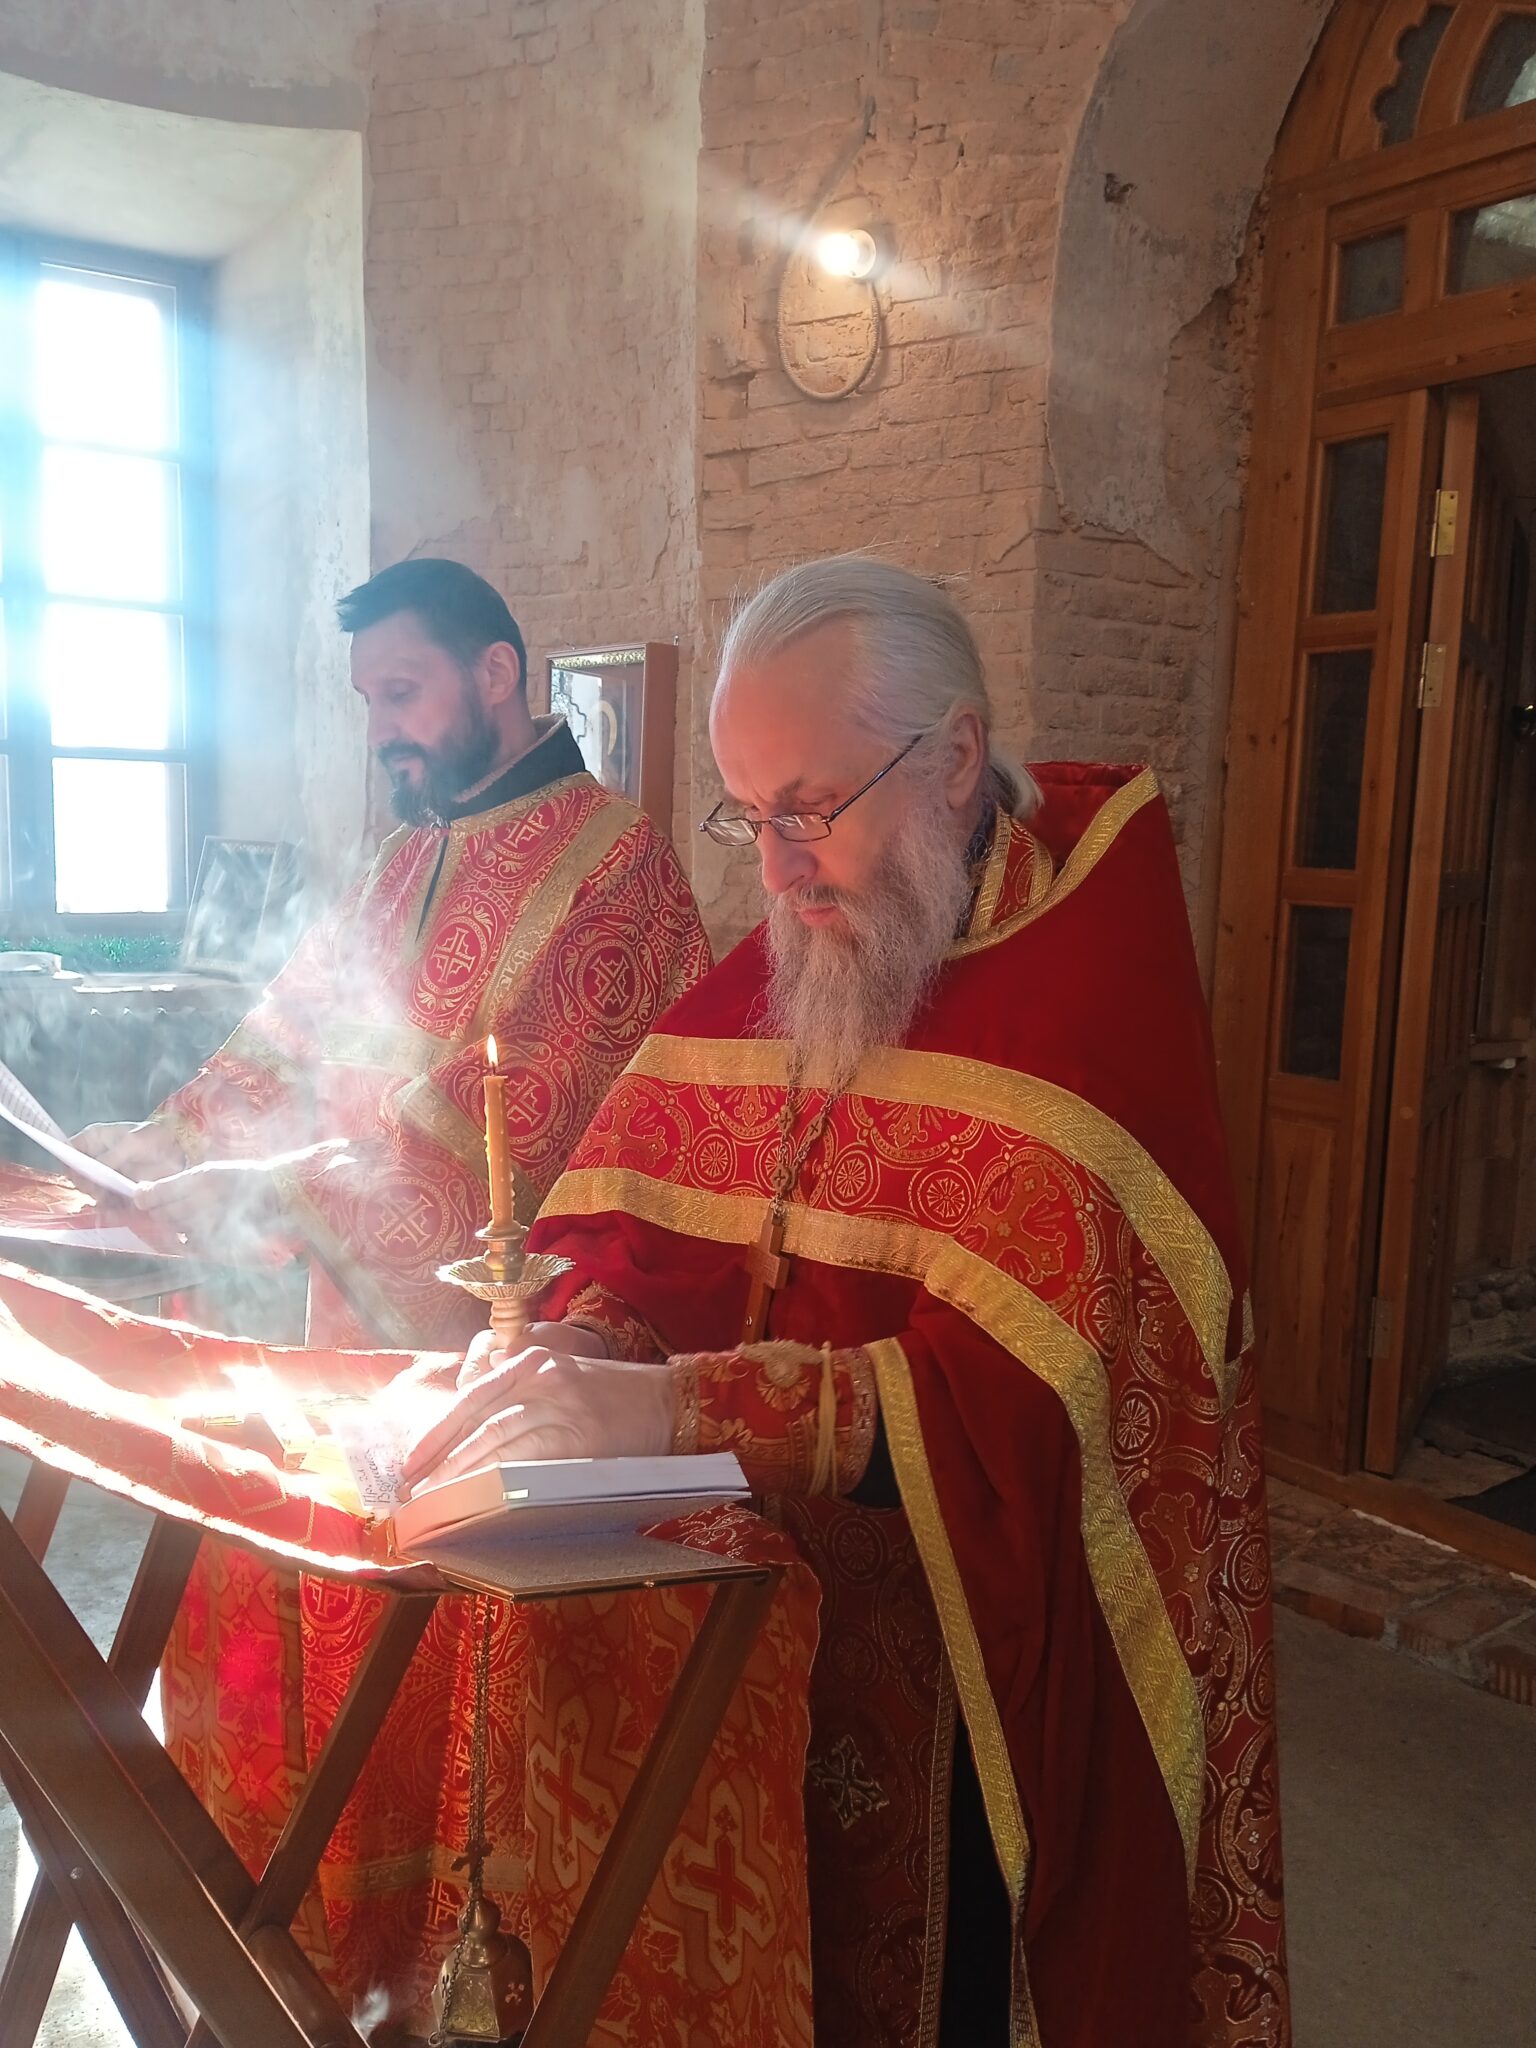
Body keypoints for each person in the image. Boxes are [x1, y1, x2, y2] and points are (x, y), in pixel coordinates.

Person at [407, 554, 1290, 2047]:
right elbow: (664, 1229)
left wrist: (665, 1408)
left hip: (972, 1672)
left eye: (809, 810)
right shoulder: (818, 947)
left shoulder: (1083, 1004)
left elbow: (1017, 1410)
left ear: (953, 759)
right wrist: (582, 1340)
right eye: (747, 816)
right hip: (749, 1639)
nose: (777, 872)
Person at [75, 556, 714, 2001]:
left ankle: (433, 1981)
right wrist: (160, 1142)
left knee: (426, 1706)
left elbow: (521, 1141)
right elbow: (283, 1043)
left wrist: (270, 1191)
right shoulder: (397, 859)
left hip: (490, 1381)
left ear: (497, 676)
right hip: (325, 1350)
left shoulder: (613, 871)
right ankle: (281, 1952)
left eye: (404, 693)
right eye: (368, 701)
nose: (385, 731)